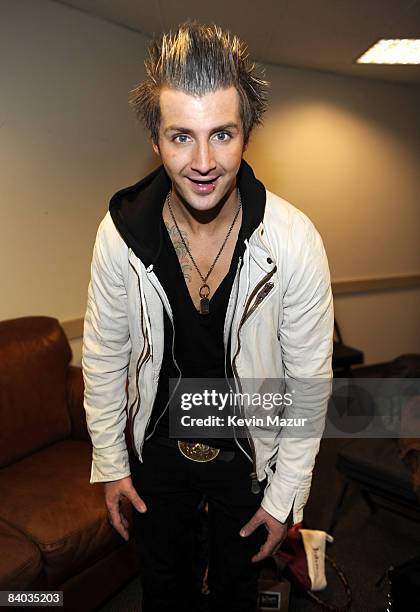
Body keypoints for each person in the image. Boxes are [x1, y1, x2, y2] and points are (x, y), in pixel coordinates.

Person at [82, 21, 334, 612]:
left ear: (248, 134)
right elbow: (102, 357)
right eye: (181, 137)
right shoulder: (121, 235)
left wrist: (283, 498)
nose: (202, 162)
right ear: (155, 138)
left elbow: (307, 385)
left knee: (235, 589)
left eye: (222, 134)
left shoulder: (293, 241)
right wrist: (113, 465)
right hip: (157, 442)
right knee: (163, 588)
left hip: (249, 442)